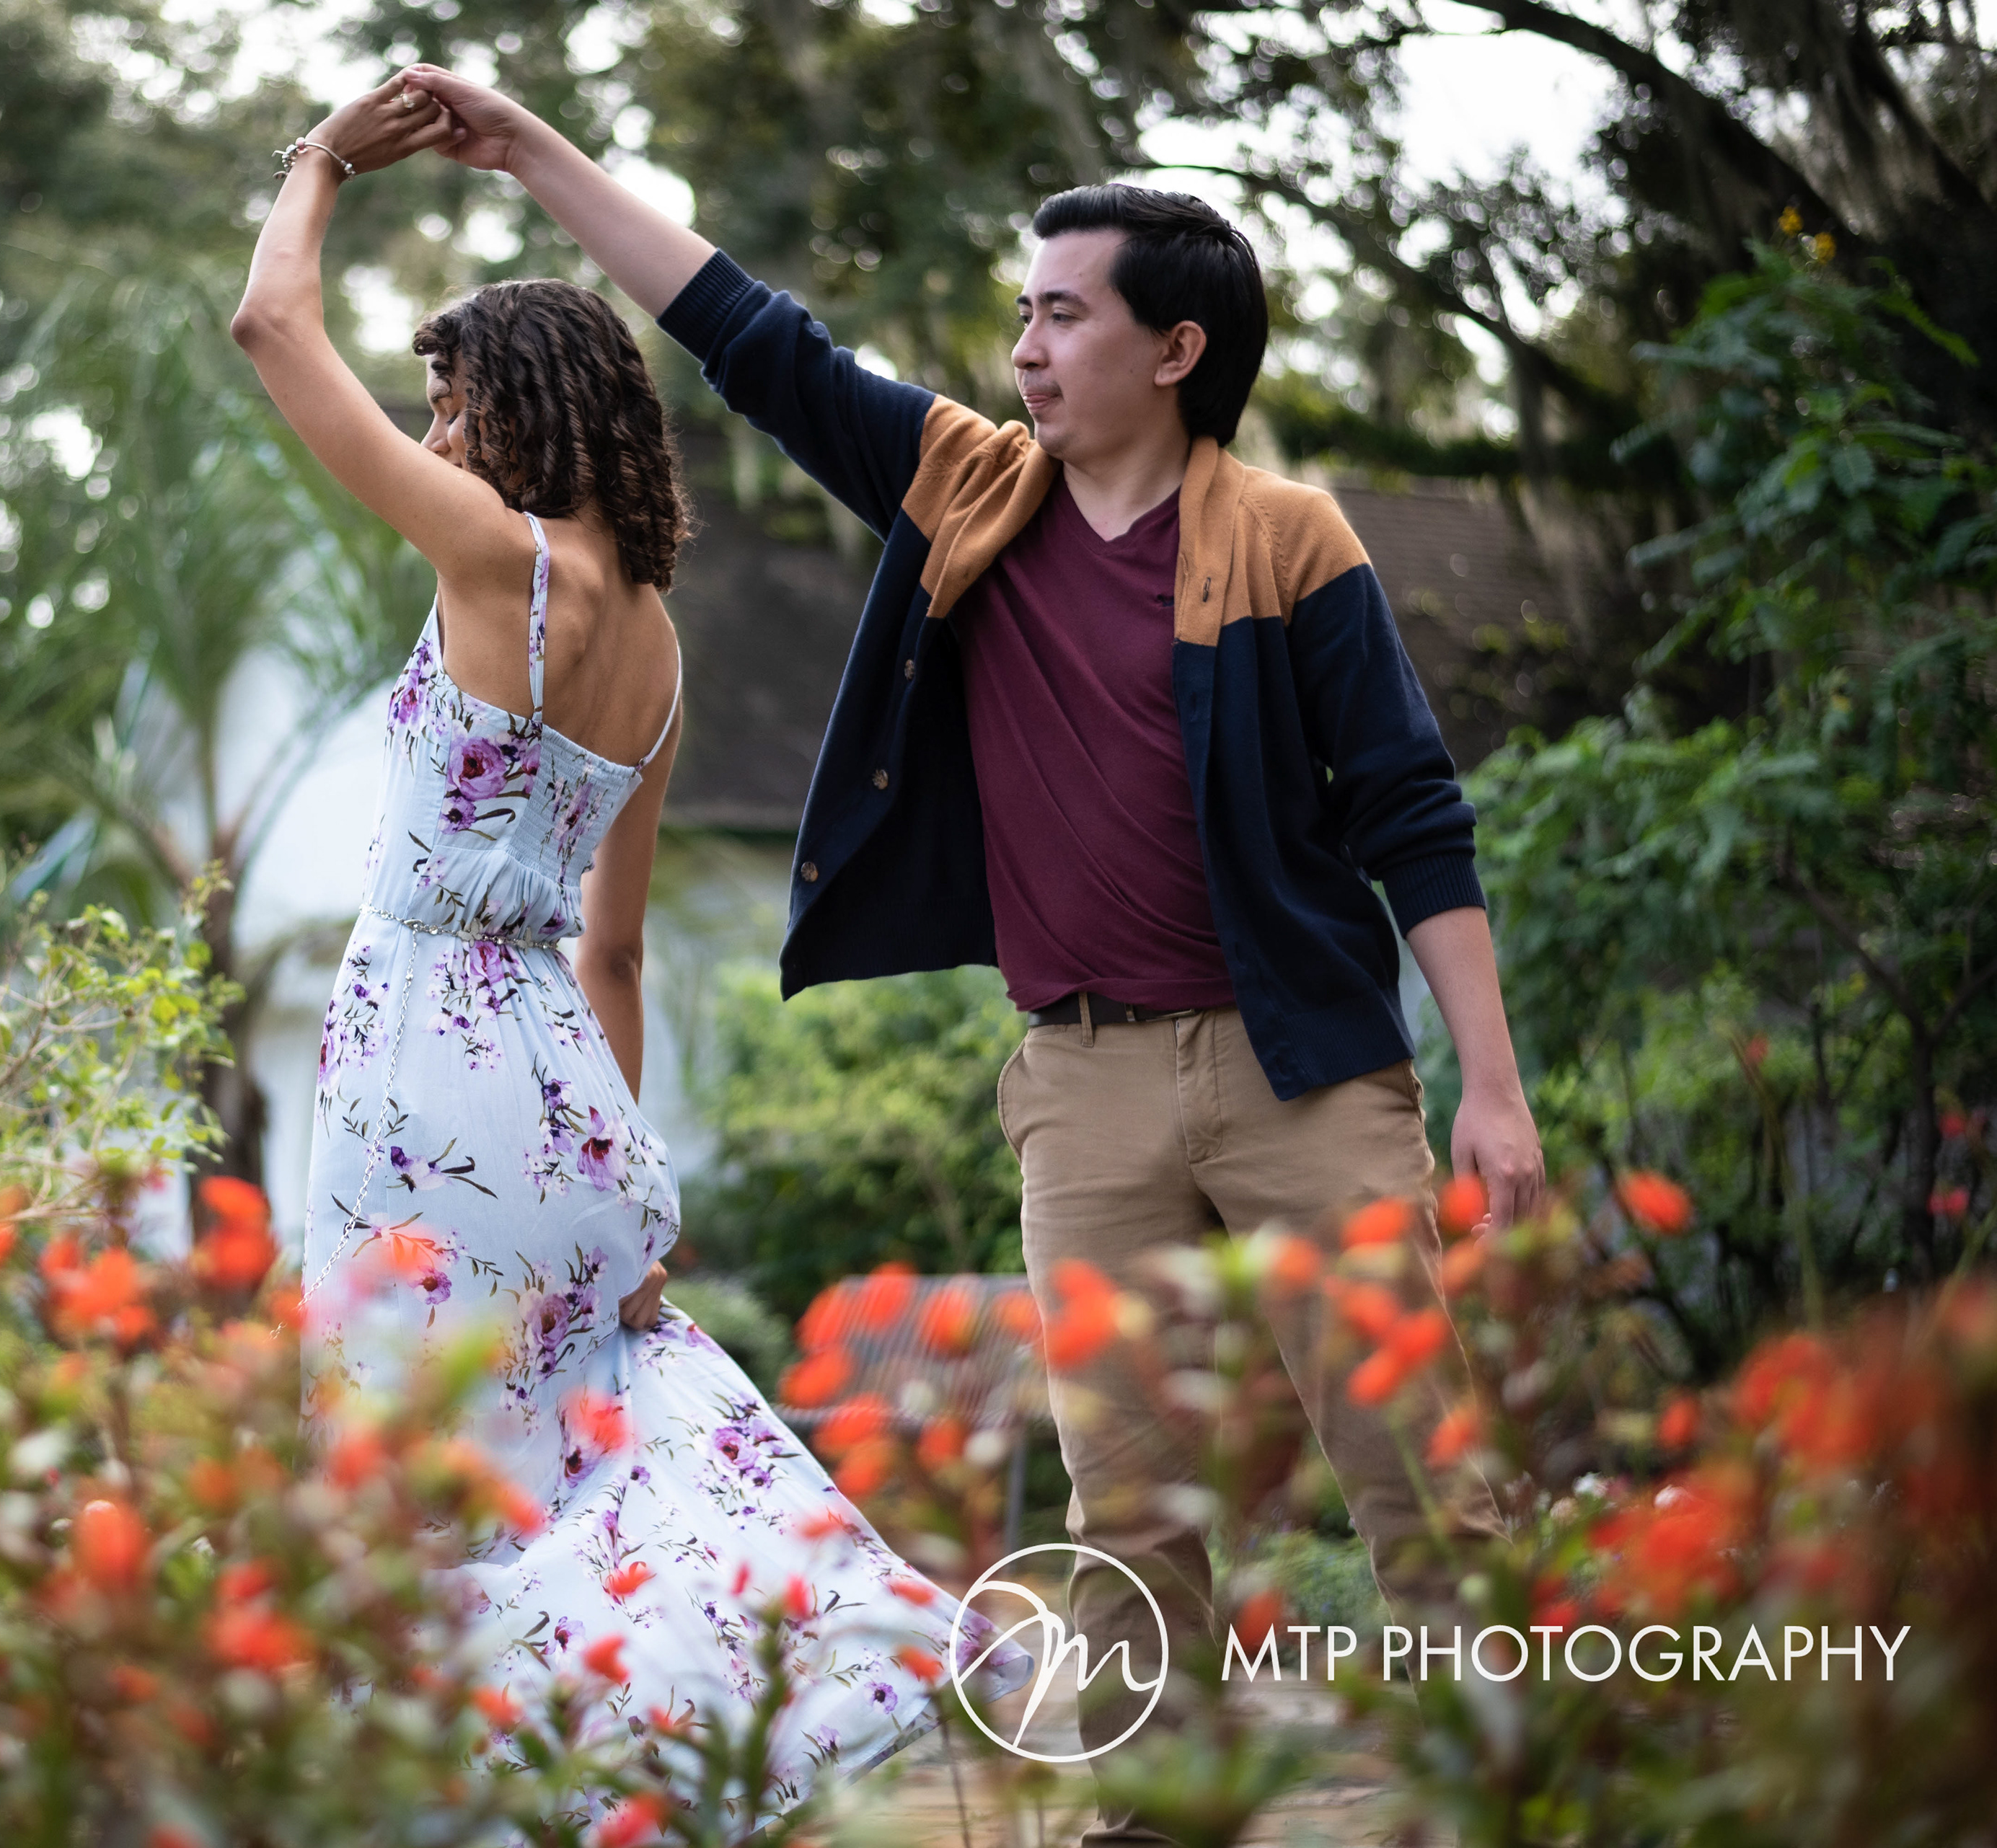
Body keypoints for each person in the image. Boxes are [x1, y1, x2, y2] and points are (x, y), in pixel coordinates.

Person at [397, 66, 1537, 1838]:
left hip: (1298, 1065)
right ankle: (1158, 1808)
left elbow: (1411, 814)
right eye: (1020, 312)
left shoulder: (1291, 541)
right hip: (1077, 1080)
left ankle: (1508, 1782)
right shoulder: (968, 493)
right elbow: (746, 334)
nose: (1024, 345)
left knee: (1412, 1462)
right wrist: (534, 149)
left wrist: (1493, 1089)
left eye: (1061, 314)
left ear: (1172, 349)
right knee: (1126, 1499)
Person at [231, 75, 1026, 1832]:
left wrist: (317, 162)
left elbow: (268, 321)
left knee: (418, 1484)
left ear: (524, 410)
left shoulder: (496, 564)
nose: (432, 441)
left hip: (426, 1079)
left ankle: (493, 1802)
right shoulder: (652, 643)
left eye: (451, 404)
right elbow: (618, 953)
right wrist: (621, 1182)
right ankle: (741, 1711)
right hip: (565, 1106)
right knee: (600, 1448)